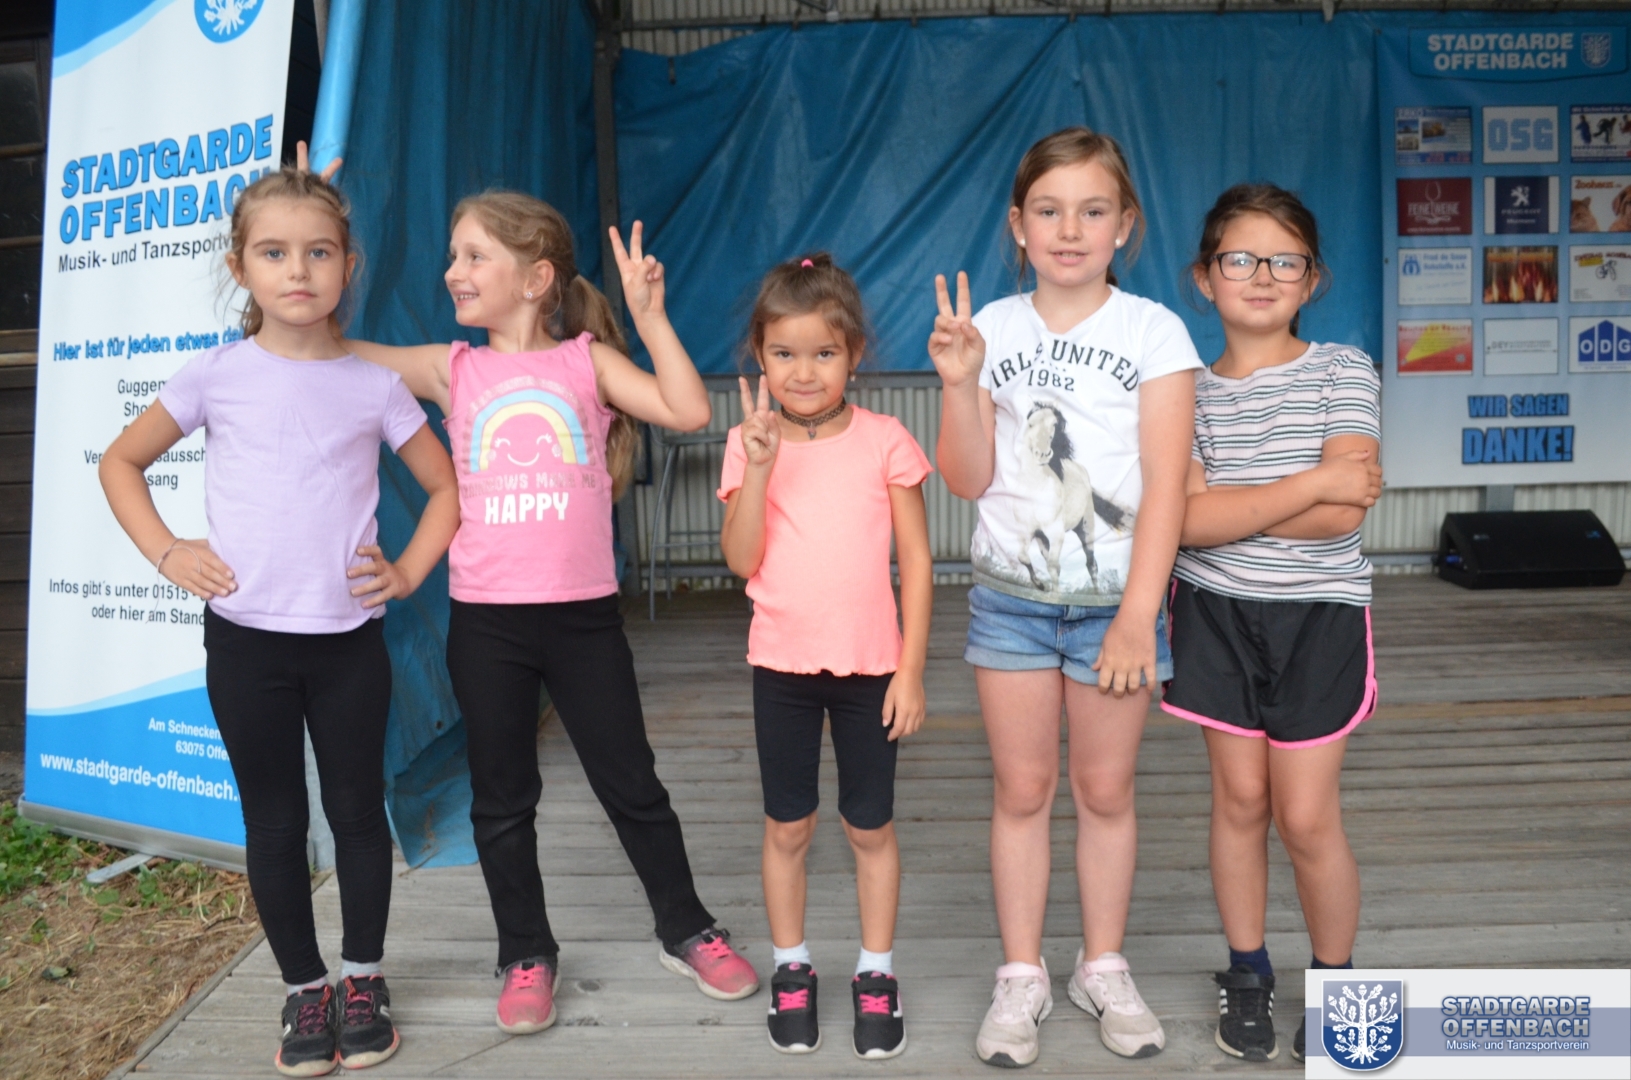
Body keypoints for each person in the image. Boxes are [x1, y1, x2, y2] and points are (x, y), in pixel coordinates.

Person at [345, 192, 757, 1037]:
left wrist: (650, 316)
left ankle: (685, 927)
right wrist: (325, 242)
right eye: (452, 255)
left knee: (631, 783)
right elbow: (327, 349)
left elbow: (688, 410)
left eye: (473, 256)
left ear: (535, 279)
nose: (452, 271)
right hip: (488, 625)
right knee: (501, 799)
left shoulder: (584, 363)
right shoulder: (450, 369)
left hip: (583, 622)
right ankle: (525, 950)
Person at [100, 169, 460, 1077]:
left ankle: (363, 980)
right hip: (245, 643)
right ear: (241, 268)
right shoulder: (215, 376)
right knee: (273, 819)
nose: (297, 270)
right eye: (274, 252)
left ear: (348, 266)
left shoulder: (374, 386)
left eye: (318, 251)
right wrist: (167, 551)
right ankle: (305, 990)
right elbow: (120, 462)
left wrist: (409, 570)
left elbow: (446, 487)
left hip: (348, 646)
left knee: (357, 814)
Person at [928, 127, 1200, 1067]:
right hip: (1009, 602)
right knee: (1021, 789)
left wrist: (1137, 615)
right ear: (1018, 225)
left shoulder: (1153, 332)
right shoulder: (991, 330)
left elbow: (1165, 489)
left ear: (1124, 224)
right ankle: (1020, 975)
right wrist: (959, 384)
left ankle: (1101, 965)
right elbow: (966, 478)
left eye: (1092, 210)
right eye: (1048, 210)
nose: (1070, 229)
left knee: (1104, 790)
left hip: (1115, 608)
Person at [1163, 183, 1381, 1064]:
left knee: (1304, 815)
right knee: (1240, 801)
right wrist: (1307, 483)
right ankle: (1246, 971)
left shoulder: (1341, 370)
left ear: (1311, 278)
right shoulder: (1180, 391)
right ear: (1203, 277)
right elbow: (1184, 524)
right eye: (1239, 258)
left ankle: (1337, 984)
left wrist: (1233, 507)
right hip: (1212, 614)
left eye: (1283, 260)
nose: (1261, 275)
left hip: (1318, 617)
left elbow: (1342, 516)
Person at [717, 255, 933, 1059]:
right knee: (788, 826)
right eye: (783, 353)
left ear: (854, 355)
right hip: (781, 668)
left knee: (868, 826)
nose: (802, 372)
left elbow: (917, 563)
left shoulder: (885, 441)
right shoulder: (748, 442)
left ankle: (876, 972)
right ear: (759, 356)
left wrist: (910, 669)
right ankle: (792, 965)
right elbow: (740, 559)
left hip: (871, 670)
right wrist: (760, 465)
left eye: (822, 353)